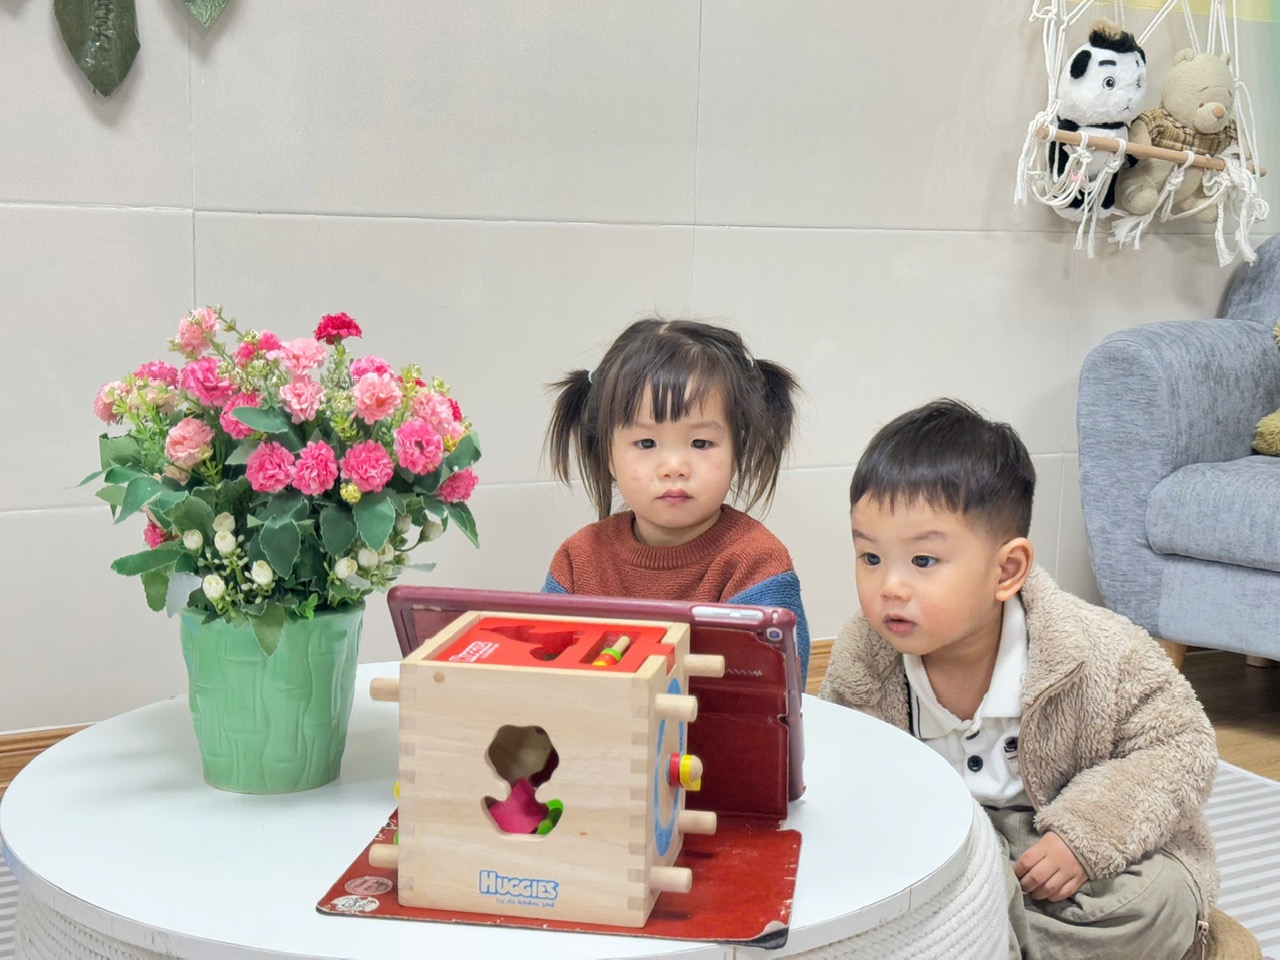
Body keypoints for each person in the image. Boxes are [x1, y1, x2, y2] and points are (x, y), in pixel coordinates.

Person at [820, 398, 1219, 960]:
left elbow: (1181, 745)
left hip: (1055, 845)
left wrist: (1084, 837)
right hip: (944, 848)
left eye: (923, 561)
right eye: (869, 557)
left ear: (1006, 570)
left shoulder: (1096, 650)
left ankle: (975, 939)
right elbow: (843, 767)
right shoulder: (864, 655)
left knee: (1160, 899)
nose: (889, 587)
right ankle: (978, 934)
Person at [542, 317, 811, 682]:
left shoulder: (757, 565)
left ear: (738, 450)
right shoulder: (578, 559)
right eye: (646, 443)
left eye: (701, 443)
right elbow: (545, 670)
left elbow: (773, 691)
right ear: (608, 455)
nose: (673, 467)